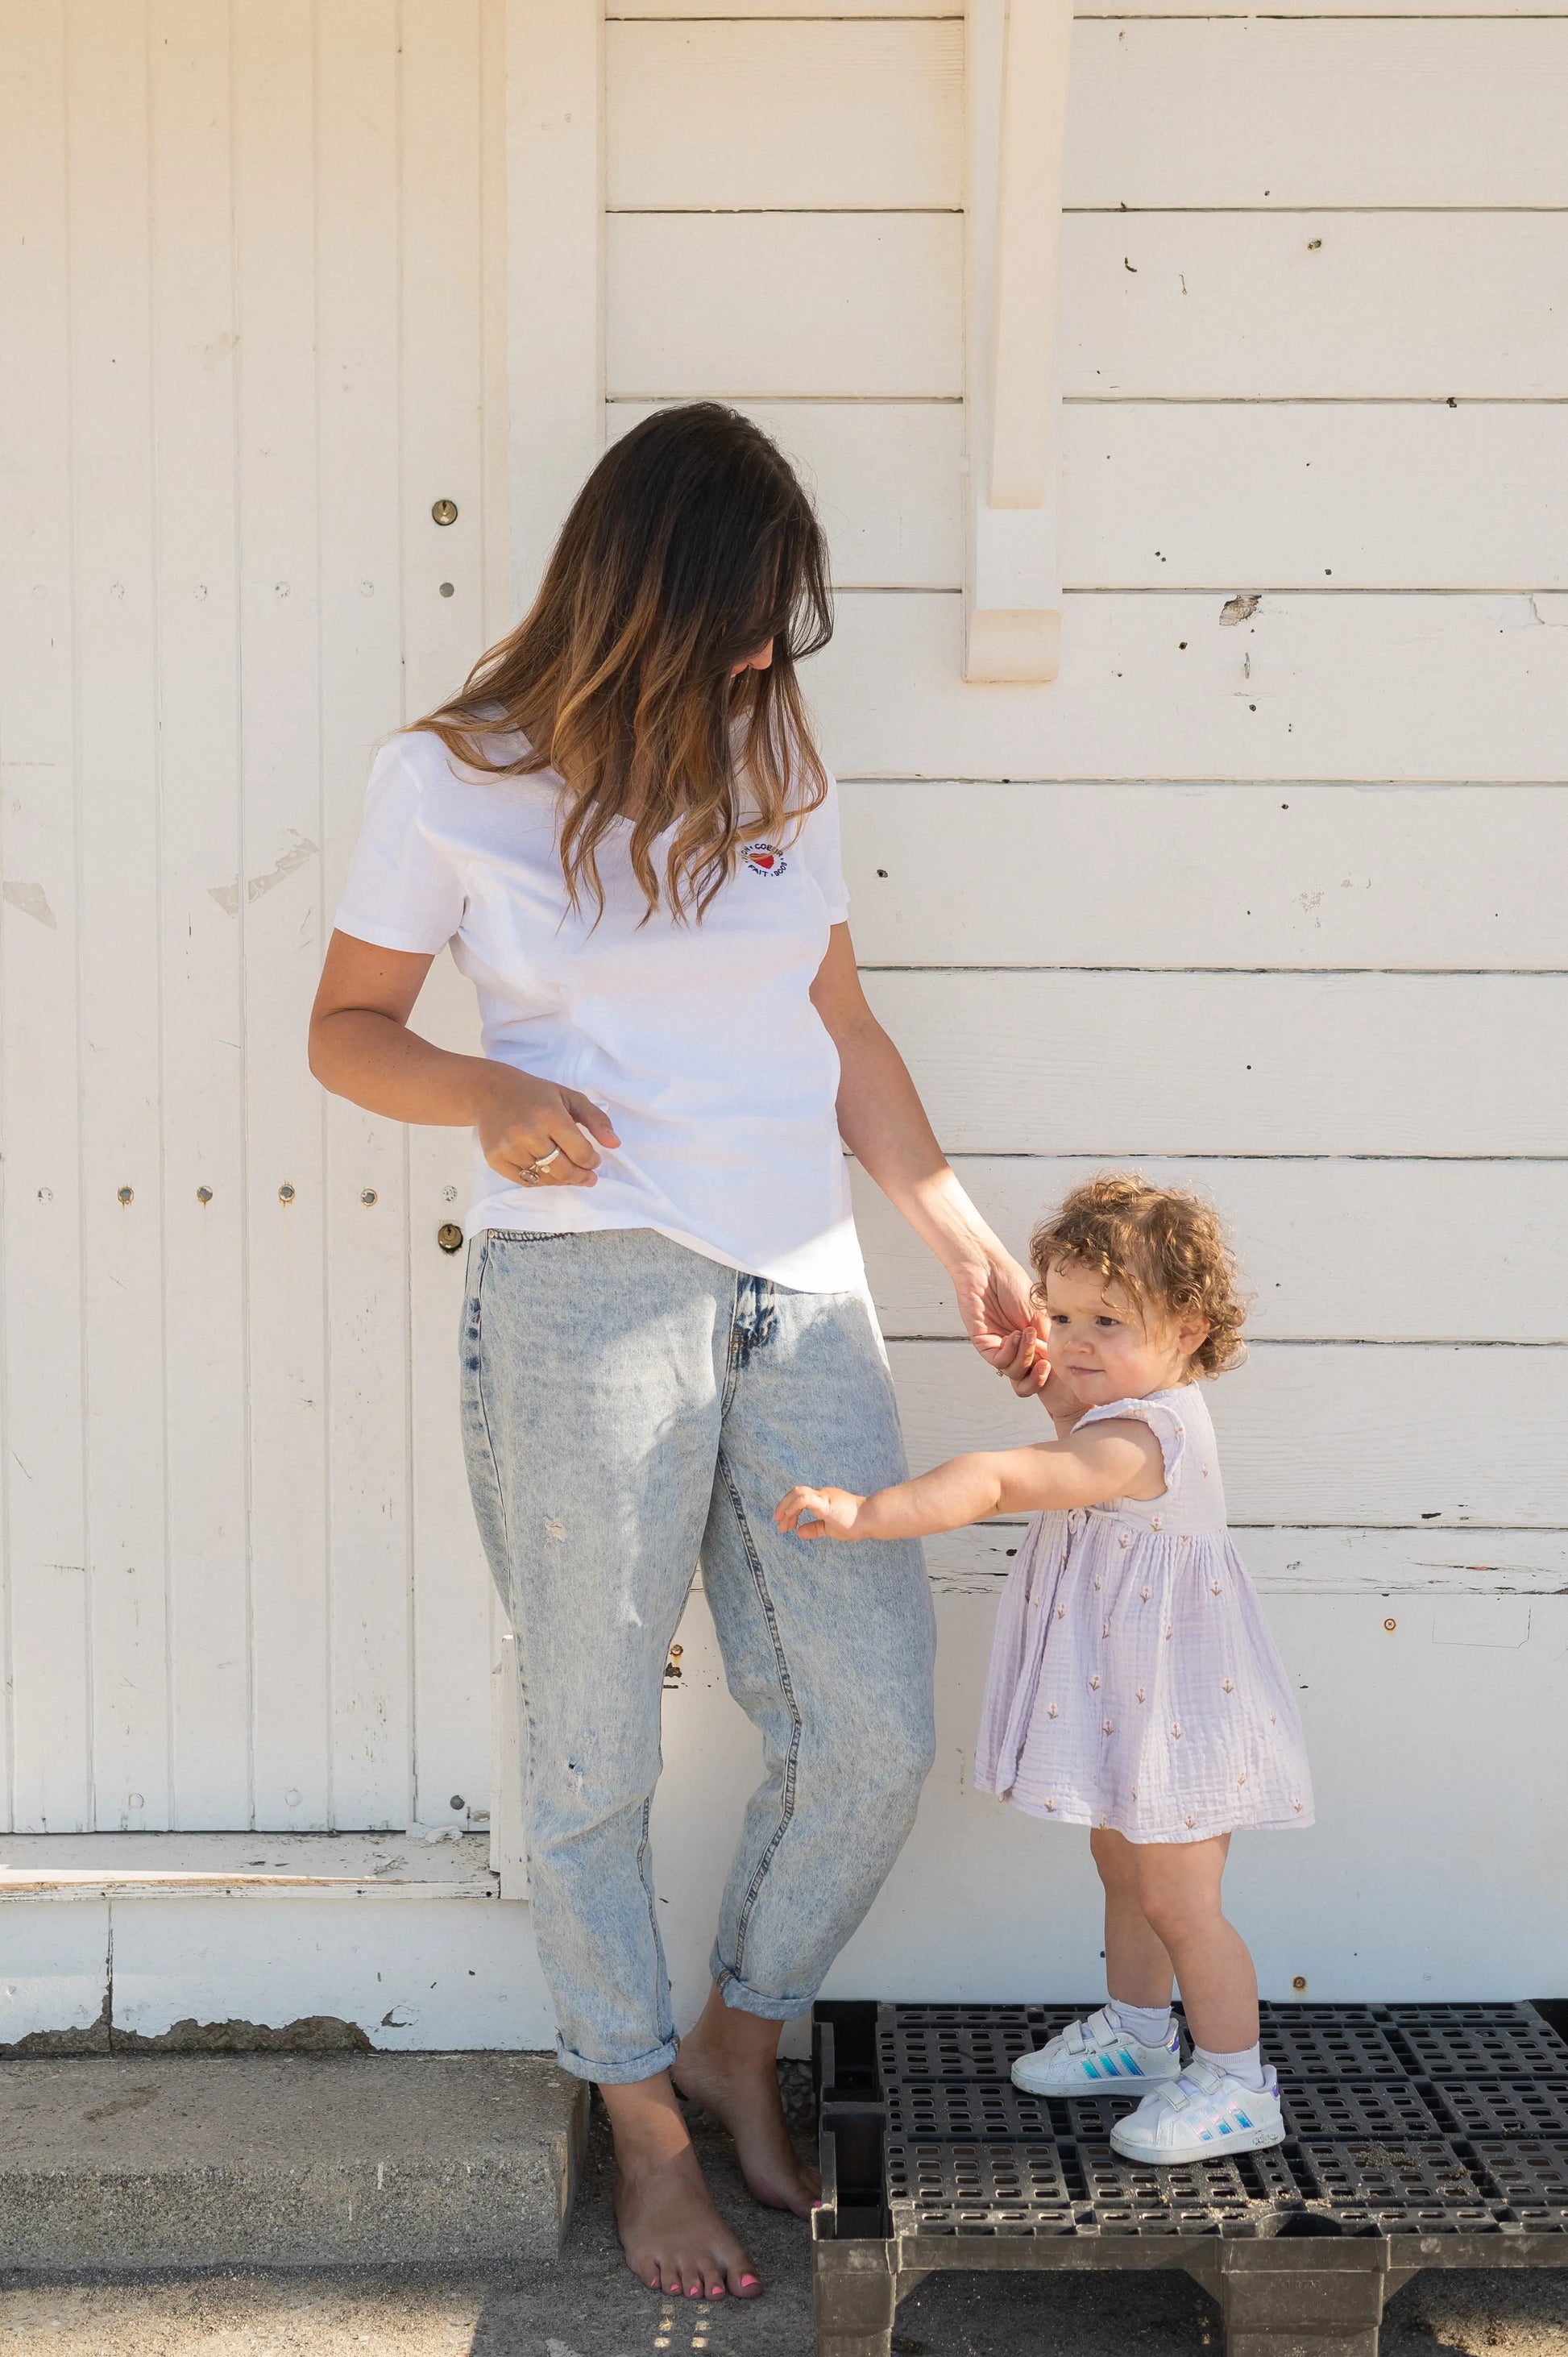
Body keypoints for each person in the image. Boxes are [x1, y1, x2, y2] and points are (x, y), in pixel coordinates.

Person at [308, 403, 1043, 2297]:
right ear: (659, 592)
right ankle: (643, 2127)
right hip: (584, 1295)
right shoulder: (448, 774)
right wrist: (480, 1087)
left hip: (796, 1282)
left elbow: (843, 1030)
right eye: (751, 617)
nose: (767, 654)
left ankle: (741, 2027)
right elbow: (350, 1026)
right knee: (590, 1737)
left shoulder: (772, 753)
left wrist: (957, 1238)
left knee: (871, 1711)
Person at [776, 1173, 1314, 2164]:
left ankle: (1239, 2084)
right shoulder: (1127, 1404)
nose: (1073, 1338)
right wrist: (1054, 1368)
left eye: (1106, 1320)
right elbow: (1073, 1404)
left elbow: (997, 1479)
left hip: (1177, 1716)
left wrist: (869, 1513)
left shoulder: (1140, 1440)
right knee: (1124, 1869)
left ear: (1187, 1329)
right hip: (1132, 1699)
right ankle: (1139, 2035)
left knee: (1180, 1901)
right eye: (1060, 1311)